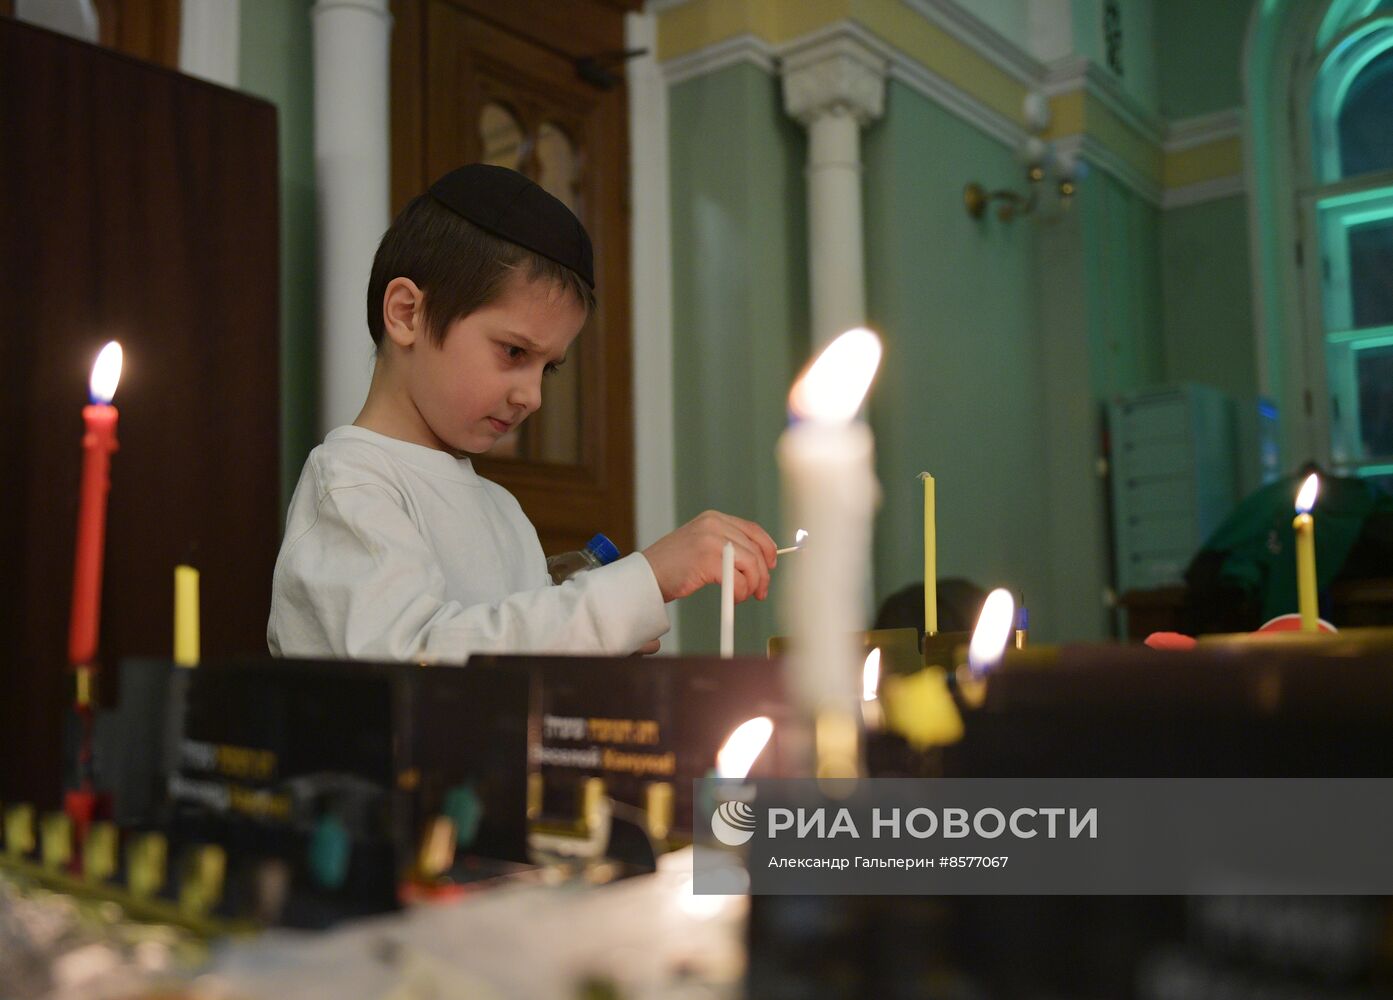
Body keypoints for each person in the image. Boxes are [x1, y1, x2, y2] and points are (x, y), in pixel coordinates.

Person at [269, 164, 776, 662]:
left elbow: (512, 677)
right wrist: (643, 581)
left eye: (548, 369)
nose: (532, 396)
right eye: (514, 352)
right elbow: (412, 665)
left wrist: (593, 647)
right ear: (408, 313)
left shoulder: (503, 509)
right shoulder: (351, 484)